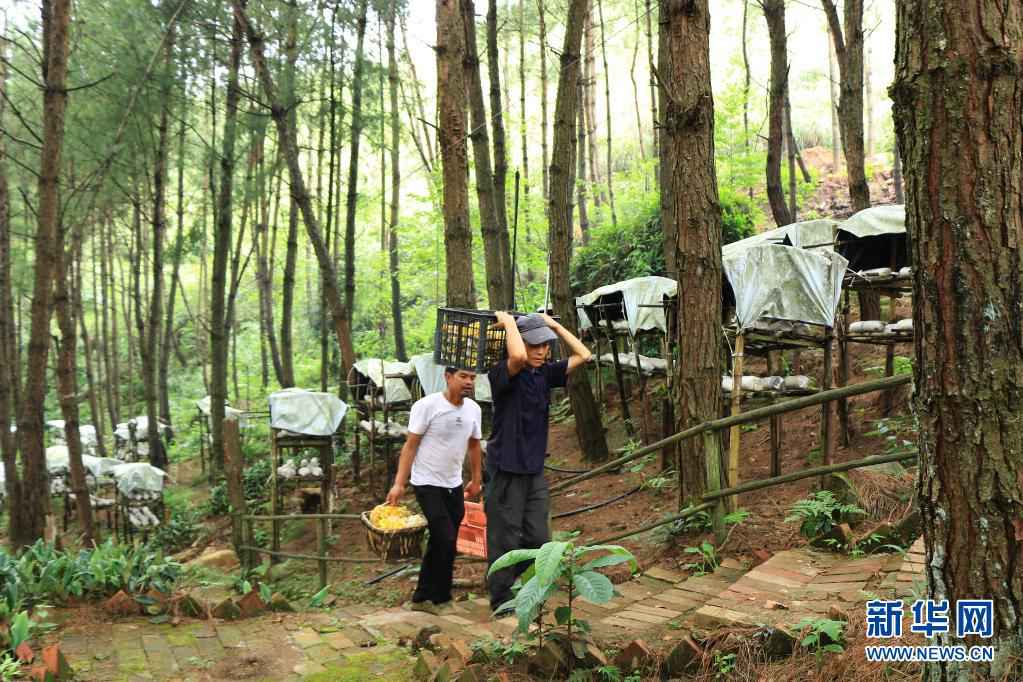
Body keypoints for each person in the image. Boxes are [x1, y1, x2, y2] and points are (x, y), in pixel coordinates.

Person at [485, 312, 592, 615]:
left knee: (538, 538)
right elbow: (517, 355)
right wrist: (507, 322)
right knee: (503, 536)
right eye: (535, 346)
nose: (541, 351)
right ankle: (501, 600)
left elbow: (584, 354)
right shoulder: (503, 373)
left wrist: (554, 326)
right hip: (505, 468)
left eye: (545, 345)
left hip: (533, 470)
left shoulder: (544, 374)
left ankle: (518, 581)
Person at [387, 366, 483, 614]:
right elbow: (410, 447)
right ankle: (433, 598)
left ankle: (428, 597)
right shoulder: (427, 406)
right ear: (447, 377)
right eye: (463, 376)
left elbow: (473, 446)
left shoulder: (474, 410)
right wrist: (399, 483)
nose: (468, 382)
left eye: (472, 377)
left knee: (444, 541)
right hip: (426, 482)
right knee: (446, 537)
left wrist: (475, 479)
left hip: (454, 483)